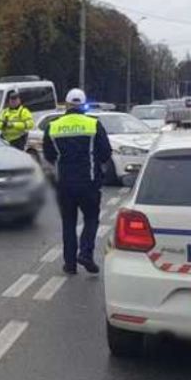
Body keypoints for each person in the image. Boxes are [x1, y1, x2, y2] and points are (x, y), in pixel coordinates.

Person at [42, 89, 112, 275]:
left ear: (66, 105)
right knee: (91, 218)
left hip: (64, 183)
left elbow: (49, 154)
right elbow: (106, 152)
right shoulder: (93, 124)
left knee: (68, 223)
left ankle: (70, 264)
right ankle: (86, 253)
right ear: (83, 105)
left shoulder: (53, 126)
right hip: (89, 181)